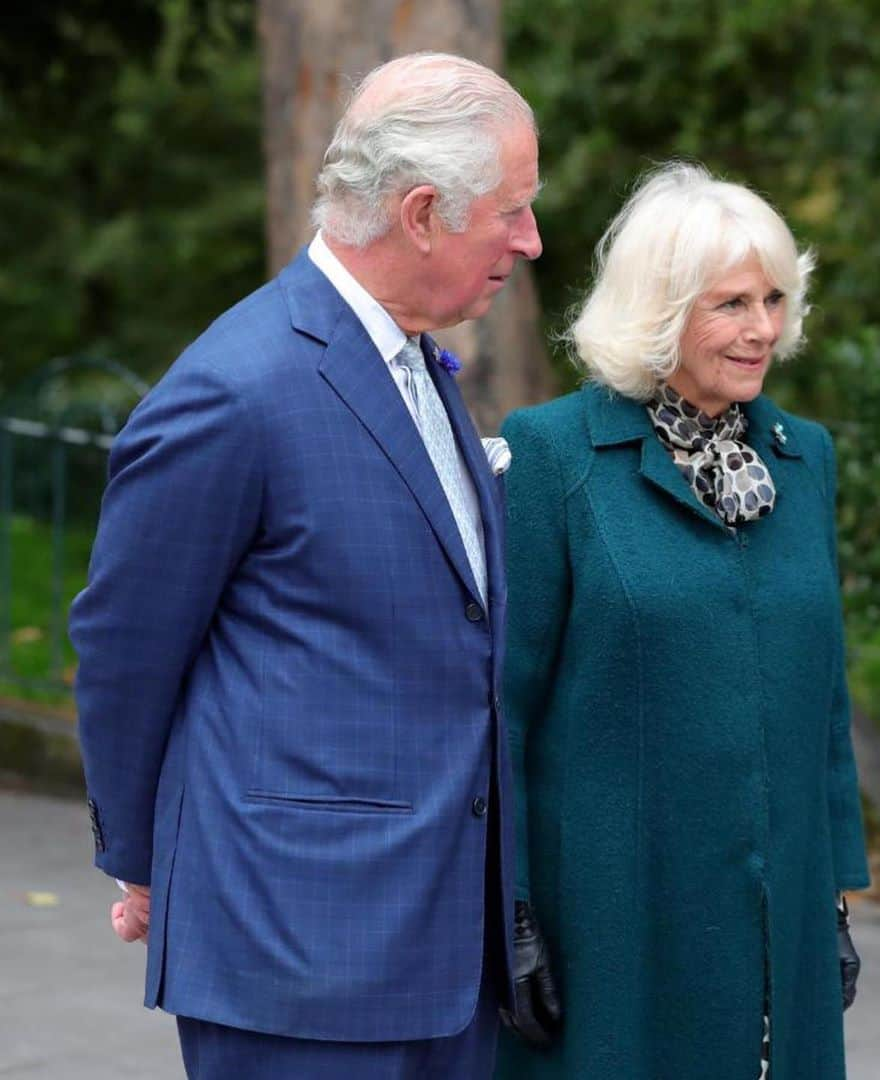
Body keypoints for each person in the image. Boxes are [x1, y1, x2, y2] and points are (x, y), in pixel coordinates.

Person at [70, 51, 541, 1080]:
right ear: (421, 213)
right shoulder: (235, 391)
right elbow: (123, 648)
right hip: (296, 959)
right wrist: (146, 861)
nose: (530, 239)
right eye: (512, 209)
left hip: (448, 953)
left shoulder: (416, 359)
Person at [495, 163, 868, 1080]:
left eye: (775, 299)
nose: (765, 330)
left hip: (781, 911)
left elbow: (825, 703)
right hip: (610, 916)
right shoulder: (557, 454)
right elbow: (500, 704)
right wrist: (506, 912)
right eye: (732, 303)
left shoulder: (803, 458)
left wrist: (833, 898)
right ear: (660, 308)